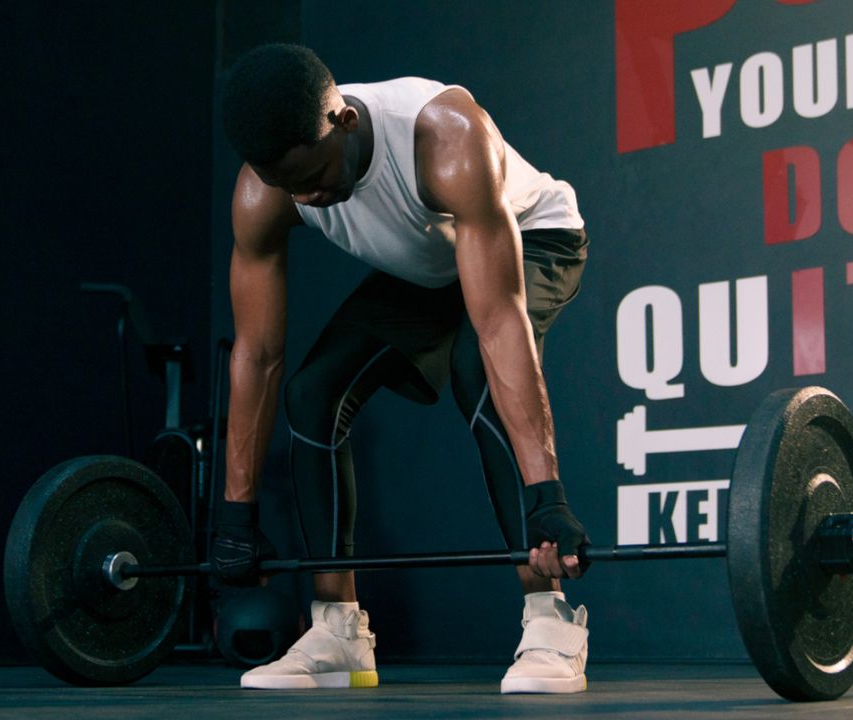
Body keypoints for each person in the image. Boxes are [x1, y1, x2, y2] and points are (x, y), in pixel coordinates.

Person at [212, 43, 592, 695]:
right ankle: (338, 631)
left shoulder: (443, 134)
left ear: (344, 123)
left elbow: (498, 320)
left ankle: (551, 620)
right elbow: (257, 354)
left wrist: (546, 496)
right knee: (313, 394)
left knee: (478, 370)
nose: (307, 196)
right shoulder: (264, 193)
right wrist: (235, 514)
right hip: (429, 264)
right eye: (290, 186)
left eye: (314, 175)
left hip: (532, 237)